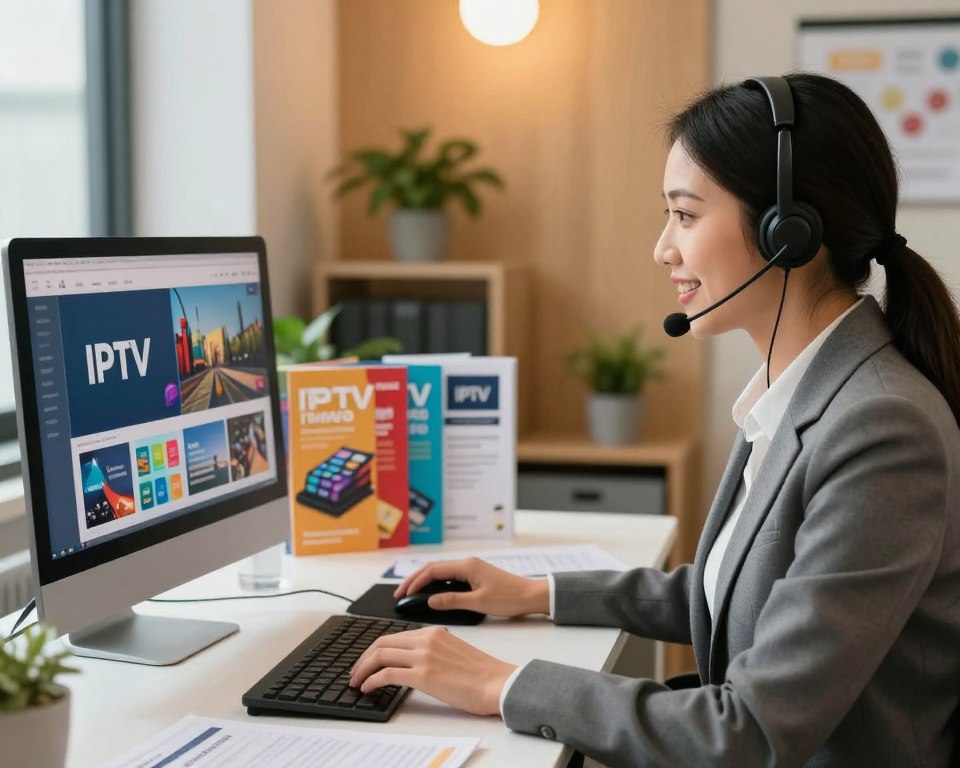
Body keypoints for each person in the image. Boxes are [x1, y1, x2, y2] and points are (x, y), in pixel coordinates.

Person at [349, 72, 960, 767]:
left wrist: (500, 683)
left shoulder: (881, 427)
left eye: (686, 214)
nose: (662, 248)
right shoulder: (805, 390)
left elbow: (749, 732)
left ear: (788, 232)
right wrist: (533, 593)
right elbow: (741, 588)